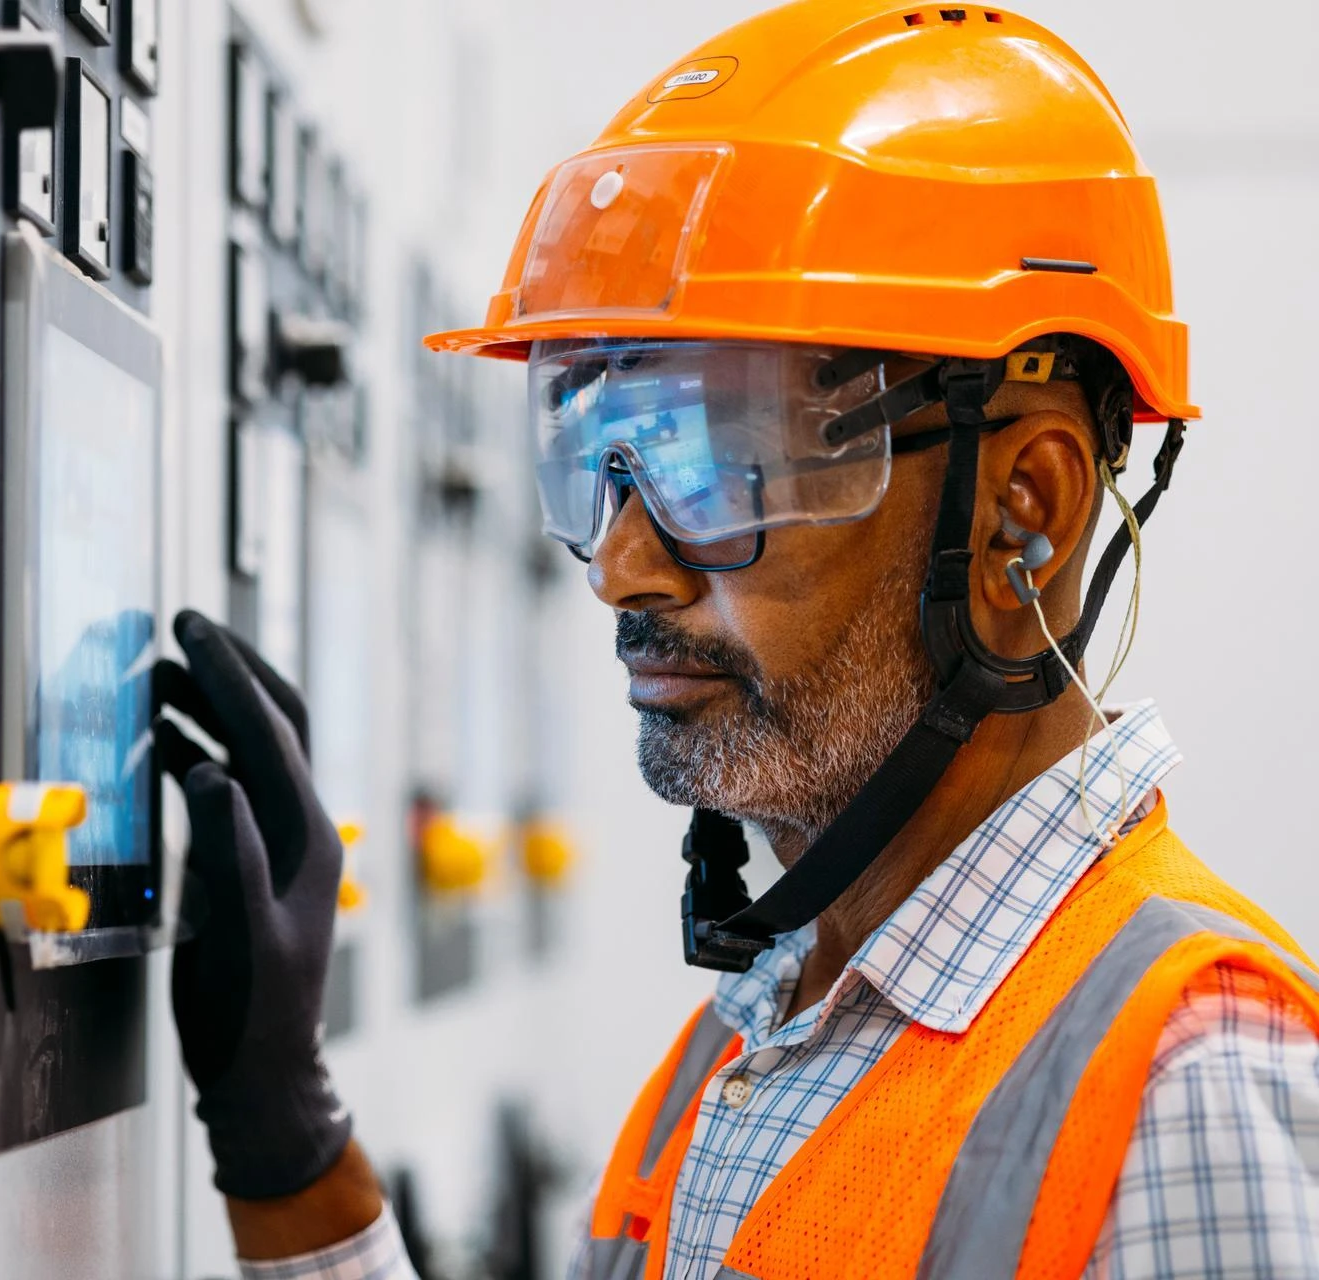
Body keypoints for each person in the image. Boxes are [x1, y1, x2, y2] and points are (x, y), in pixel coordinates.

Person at [152, 2, 1319, 1276]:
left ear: (1018, 512)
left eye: (723, 462)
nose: (616, 566)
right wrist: (289, 1138)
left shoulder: (1187, 1081)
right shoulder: (767, 1026)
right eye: (593, 459)